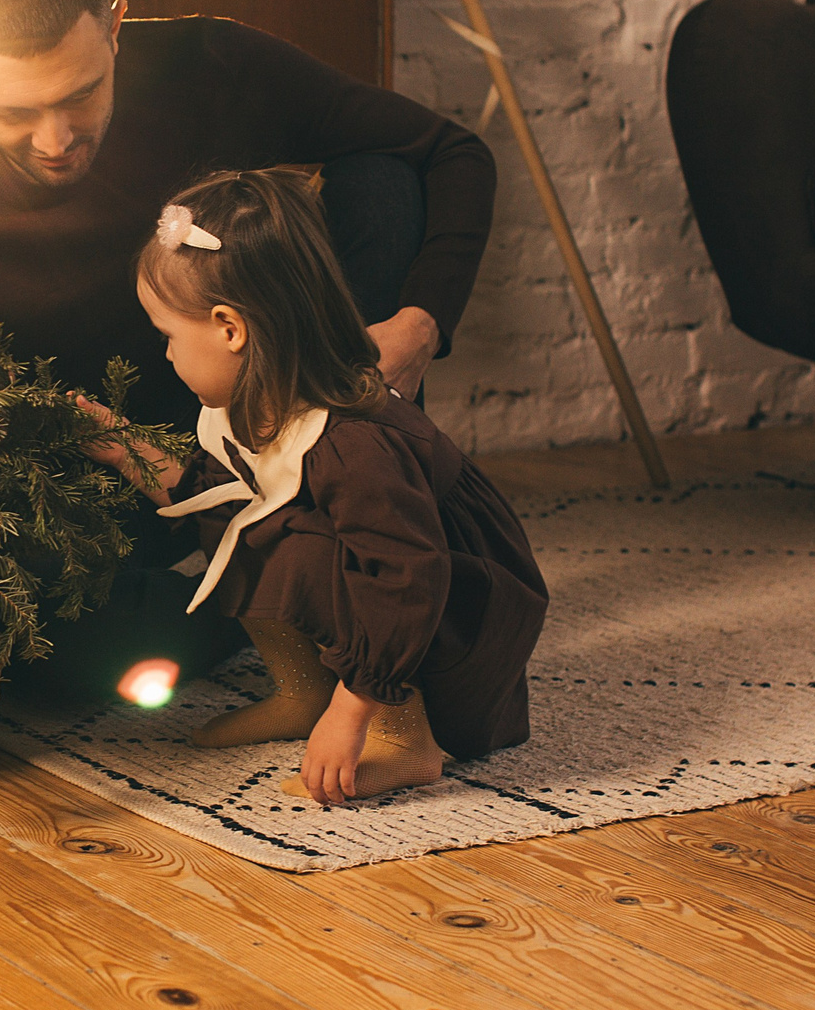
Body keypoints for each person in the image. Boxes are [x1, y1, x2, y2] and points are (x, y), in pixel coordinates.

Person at [0, 0, 497, 435]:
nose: (55, 139)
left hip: (258, 413)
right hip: (89, 470)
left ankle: (363, 479)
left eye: (80, 93)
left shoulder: (206, 64)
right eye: (13, 110)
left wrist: (421, 322)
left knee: (385, 181)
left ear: (116, 27)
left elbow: (453, 153)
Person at [76, 170, 548, 805]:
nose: (165, 357)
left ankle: (403, 733)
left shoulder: (351, 444)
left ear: (229, 329)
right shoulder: (251, 401)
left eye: (169, 337)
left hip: (452, 618)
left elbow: (407, 579)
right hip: (410, 602)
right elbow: (203, 491)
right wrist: (112, 441)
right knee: (240, 518)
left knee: (308, 550)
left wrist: (350, 713)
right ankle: (303, 691)